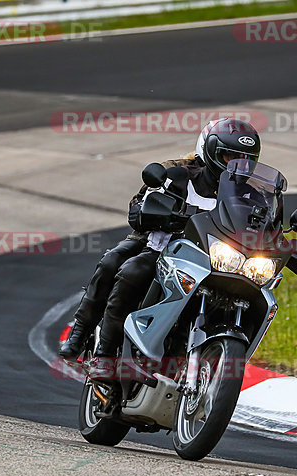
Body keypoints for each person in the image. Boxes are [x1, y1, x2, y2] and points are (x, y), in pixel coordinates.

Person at [59, 118, 262, 381]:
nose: (236, 165)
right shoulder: (177, 173)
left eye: (244, 160)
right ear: (210, 151)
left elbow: (265, 224)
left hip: (216, 260)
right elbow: (139, 206)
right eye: (229, 156)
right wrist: (160, 213)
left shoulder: (251, 195)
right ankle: (100, 349)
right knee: (124, 267)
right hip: (163, 247)